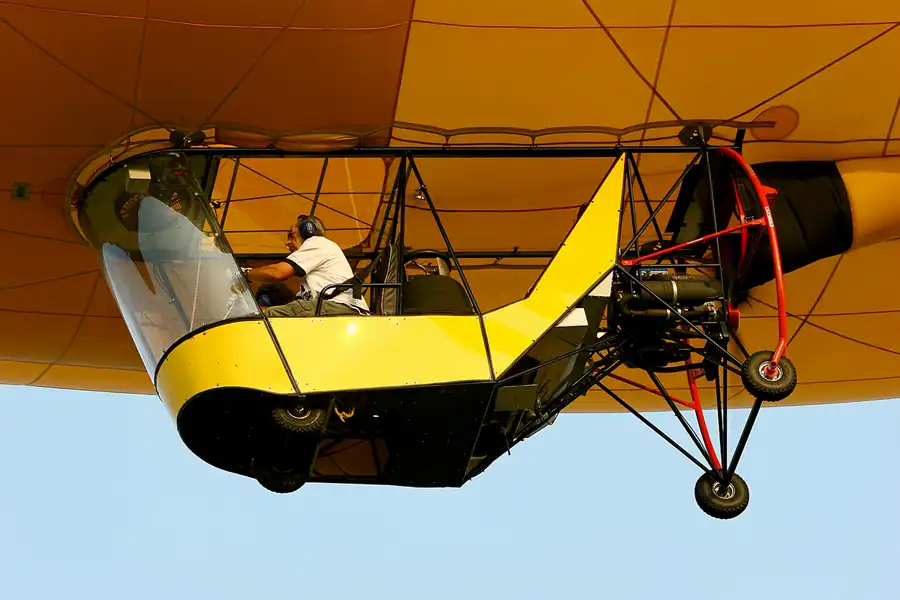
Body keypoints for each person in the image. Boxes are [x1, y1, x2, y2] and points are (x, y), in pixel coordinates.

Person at [241, 214, 369, 317]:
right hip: (332, 306)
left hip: (338, 305)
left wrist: (242, 274)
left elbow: (277, 273)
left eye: (291, 235)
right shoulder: (320, 253)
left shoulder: (317, 242)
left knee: (262, 318)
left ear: (308, 231)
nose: (287, 243)